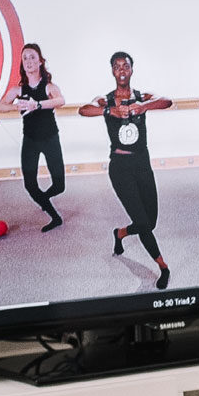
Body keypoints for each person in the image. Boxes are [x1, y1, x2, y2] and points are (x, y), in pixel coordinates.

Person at [77, 51, 173, 290]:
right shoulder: (106, 100)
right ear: (112, 71)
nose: (122, 70)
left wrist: (143, 107)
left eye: (126, 66)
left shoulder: (142, 96)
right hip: (120, 168)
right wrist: (110, 111)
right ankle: (163, 267)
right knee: (142, 221)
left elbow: (167, 101)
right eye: (117, 66)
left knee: (150, 222)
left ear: (132, 70)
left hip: (142, 165)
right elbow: (83, 109)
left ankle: (120, 233)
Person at [10, 42, 68, 232]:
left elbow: (60, 100)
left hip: (50, 138)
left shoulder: (49, 86)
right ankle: (54, 216)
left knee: (59, 185)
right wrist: (16, 105)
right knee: (30, 184)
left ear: (41, 61)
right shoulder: (19, 90)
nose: (29, 61)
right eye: (25, 58)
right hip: (30, 141)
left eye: (33, 57)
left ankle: (43, 199)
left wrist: (38, 105)